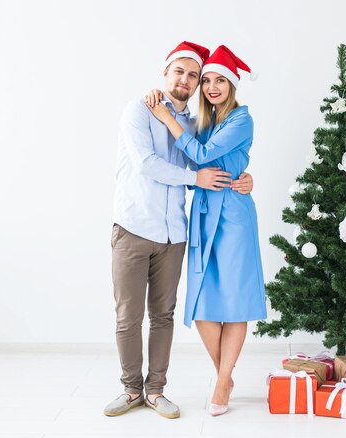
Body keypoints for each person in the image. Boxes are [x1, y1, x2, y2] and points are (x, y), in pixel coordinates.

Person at [105, 41, 254, 420]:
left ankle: (159, 390)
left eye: (196, 75)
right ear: (165, 73)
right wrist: (198, 177)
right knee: (129, 316)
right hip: (135, 226)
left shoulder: (196, 122)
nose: (190, 81)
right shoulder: (140, 110)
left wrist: (243, 178)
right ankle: (130, 389)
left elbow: (208, 164)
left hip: (176, 232)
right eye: (182, 73)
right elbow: (150, 164)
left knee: (165, 315)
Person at [146, 45, 266, 417]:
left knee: (234, 303)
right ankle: (224, 376)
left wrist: (166, 117)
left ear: (232, 84)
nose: (212, 87)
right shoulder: (203, 120)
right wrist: (165, 108)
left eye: (220, 80)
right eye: (208, 80)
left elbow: (201, 155)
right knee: (200, 305)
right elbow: (189, 160)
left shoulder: (240, 119)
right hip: (201, 213)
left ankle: (221, 383)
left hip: (231, 216)